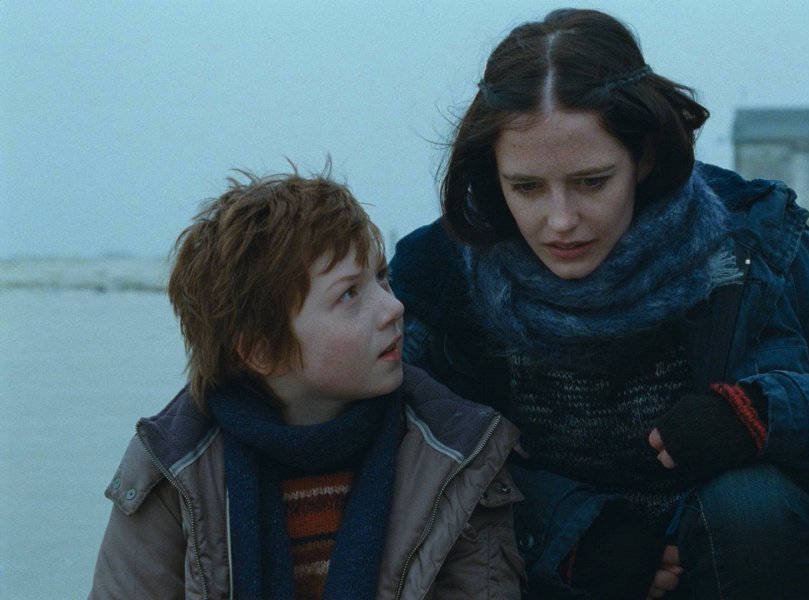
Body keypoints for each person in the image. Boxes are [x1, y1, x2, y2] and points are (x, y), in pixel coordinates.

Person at [390, 8, 809, 599]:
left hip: (744, 568)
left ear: (644, 156)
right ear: (493, 172)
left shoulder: (757, 245)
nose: (560, 220)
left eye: (591, 181)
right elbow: (396, 463)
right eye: (527, 187)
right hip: (544, 582)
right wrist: (572, 537)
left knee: (753, 506)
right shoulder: (438, 277)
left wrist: (766, 416)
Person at [89, 166, 525, 599]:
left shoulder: (456, 455)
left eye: (380, 276)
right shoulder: (173, 466)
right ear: (262, 351)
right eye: (348, 294)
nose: (393, 307)